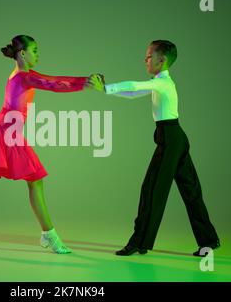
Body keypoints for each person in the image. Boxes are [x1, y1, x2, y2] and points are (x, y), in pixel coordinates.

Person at [0, 35, 93, 254]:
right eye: (34, 50)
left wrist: (82, 82)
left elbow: (49, 81)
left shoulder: (16, 74)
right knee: (35, 181)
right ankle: (50, 236)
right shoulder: (25, 76)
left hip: (1, 128)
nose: (38, 54)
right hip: (9, 133)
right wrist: (84, 83)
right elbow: (52, 83)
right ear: (22, 54)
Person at [90, 40, 220, 257]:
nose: (145, 60)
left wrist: (107, 87)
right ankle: (208, 241)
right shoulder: (161, 83)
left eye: (149, 56)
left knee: (151, 190)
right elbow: (133, 94)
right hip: (175, 137)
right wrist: (106, 90)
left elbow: (135, 86)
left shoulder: (163, 83)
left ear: (162, 60)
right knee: (191, 191)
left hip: (170, 139)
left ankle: (139, 242)